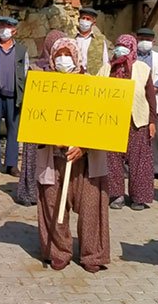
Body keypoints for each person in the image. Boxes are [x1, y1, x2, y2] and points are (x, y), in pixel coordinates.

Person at [36, 37, 110, 273]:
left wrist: (84, 146)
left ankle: (92, 254)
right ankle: (58, 251)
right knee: (53, 203)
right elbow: (34, 120)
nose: (63, 60)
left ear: (77, 57)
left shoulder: (92, 85)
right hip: (54, 156)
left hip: (86, 159)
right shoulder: (44, 86)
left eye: (68, 55)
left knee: (91, 206)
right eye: (58, 55)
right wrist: (50, 138)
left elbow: (102, 122)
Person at [97, 35, 156, 211]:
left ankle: (139, 197)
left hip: (137, 121)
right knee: (112, 159)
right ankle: (116, 195)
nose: (120, 49)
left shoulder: (142, 68)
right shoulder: (106, 68)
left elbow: (150, 97)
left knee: (139, 161)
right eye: (118, 45)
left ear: (132, 49)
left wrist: (152, 121)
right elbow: (97, 94)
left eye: (125, 46)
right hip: (111, 121)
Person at [17, 30, 66, 207]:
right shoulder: (36, 69)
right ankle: (29, 192)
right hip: (37, 121)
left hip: (57, 124)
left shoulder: (67, 72)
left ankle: (51, 193)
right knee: (33, 156)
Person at [0, 16, 28, 178]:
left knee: (13, 130)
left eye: (8, 26)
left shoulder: (22, 50)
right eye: (2, 26)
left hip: (13, 94)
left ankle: (11, 164)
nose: (5, 29)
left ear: (14, 30)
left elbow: (24, 72)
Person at [135, 27, 158, 181]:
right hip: (134, 103)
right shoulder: (132, 57)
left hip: (154, 101)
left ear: (153, 41)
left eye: (148, 40)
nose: (144, 42)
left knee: (155, 136)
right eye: (141, 39)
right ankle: (130, 166)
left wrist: (151, 90)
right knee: (134, 136)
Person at [75, 7, 110, 74]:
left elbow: (105, 62)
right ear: (79, 20)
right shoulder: (72, 38)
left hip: (93, 78)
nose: (85, 21)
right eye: (83, 18)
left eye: (88, 19)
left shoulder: (100, 41)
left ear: (93, 23)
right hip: (75, 77)